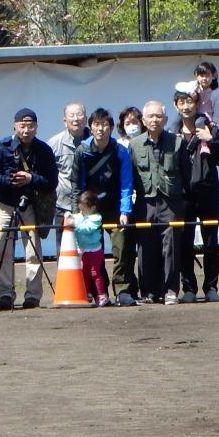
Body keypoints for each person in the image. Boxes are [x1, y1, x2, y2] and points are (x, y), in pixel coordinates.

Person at [0, 108, 58, 310]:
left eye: (30, 126)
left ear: (36, 127)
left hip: (30, 204)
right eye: (22, 126)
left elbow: (51, 182)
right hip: (5, 204)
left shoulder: (43, 150)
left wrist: (31, 179)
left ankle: (33, 295)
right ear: (15, 126)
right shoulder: (3, 146)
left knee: (33, 250)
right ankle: (5, 294)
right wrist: (9, 180)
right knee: (2, 249)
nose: (26, 130)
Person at [75, 107, 136, 305]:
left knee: (121, 248)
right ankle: (98, 291)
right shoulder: (82, 151)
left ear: (111, 128)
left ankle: (123, 290)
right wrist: (81, 210)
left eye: (104, 125)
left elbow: (127, 183)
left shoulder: (120, 151)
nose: (100, 129)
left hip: (115, 206)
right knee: (93, 250)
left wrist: (125, 210)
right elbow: (78, 183)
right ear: (90, 127)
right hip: (91, 208)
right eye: (96, 125)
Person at [127, 101, 186, 305]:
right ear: (143, 120)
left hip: (170, 202)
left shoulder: (177, 143)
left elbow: (186, 175)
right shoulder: (134, 145)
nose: (154, 120)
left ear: (166, 120)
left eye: (159, 116)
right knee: (145, 247)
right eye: (150, 116)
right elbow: (130, 176)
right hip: (145, 202)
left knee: (170, 247)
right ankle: (149, 292)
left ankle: (170, 290)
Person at [174, 92, 219, 303]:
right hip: (184, 195)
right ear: (176, 106)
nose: (186, 106)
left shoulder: (210, 128)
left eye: (190, 102)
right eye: (181, 102)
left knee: (211, 242)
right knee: (184, 242)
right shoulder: (172, 132)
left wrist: (211, 141)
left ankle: (211, 287)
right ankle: (189, 289)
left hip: (208, 192)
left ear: (197, 104)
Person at [48, 102, 90, 239]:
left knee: (91, 248)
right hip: (63, 205)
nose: (76, 119)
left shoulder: (95, 140)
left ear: (85, 119)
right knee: (65, 249)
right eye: (71, 115)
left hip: (90, 204)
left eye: (79, 114)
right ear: (65, 121)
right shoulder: (54, 143)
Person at [69, 190, 109, 306]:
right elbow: (74, 217)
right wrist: (68, 215)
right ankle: (88, 293)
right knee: (84, 272)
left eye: (83, 209)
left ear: (92, 208)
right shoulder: (80, 216)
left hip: (95, 251)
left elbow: (88, 229)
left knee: (95, 273)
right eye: (79, 209)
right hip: (83, 250)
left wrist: (75, 225)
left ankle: (102, 295)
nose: (81, 212)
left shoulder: (96, 218)